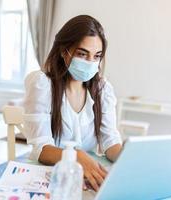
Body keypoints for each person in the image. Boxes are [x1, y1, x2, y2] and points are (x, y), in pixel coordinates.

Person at [23, 15, 122, 191]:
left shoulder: (102, 90)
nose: (90, 62)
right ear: (64, 51)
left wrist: (126, 157)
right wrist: (76, 157)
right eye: (82, 54)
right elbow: (42, 148)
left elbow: (110, 140)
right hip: (50, 177)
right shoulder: (43, 84)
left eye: (96, 56)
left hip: (86, 176)